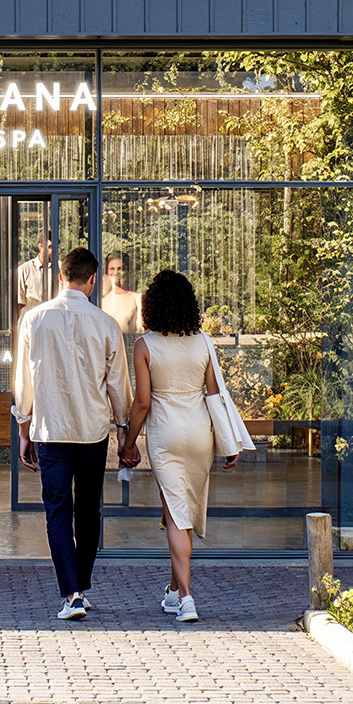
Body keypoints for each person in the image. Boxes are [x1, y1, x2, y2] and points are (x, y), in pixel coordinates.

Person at [12, 243, 124, 622]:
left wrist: (23, 428)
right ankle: (81, 587)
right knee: (89, 510)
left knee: (57, 512)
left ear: (60, 277)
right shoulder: (107, 325)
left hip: (50, 429)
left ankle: (72, 592)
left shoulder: (33, 319)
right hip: (93, 431)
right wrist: (123, 431)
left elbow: (23, 381)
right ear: (93, 281)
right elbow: (118, 386)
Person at [119, 265, 234, 625]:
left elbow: (142, 402)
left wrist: (127, 442)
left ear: (152, 306)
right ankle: (172, 592)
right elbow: (215, 395)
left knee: (176, 516)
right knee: (180, 514)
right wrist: (229, 443)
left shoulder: (144, 346)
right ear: (189, 305)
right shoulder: (203, 342)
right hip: (201, 433)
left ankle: (186, 598)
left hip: (166, 436)